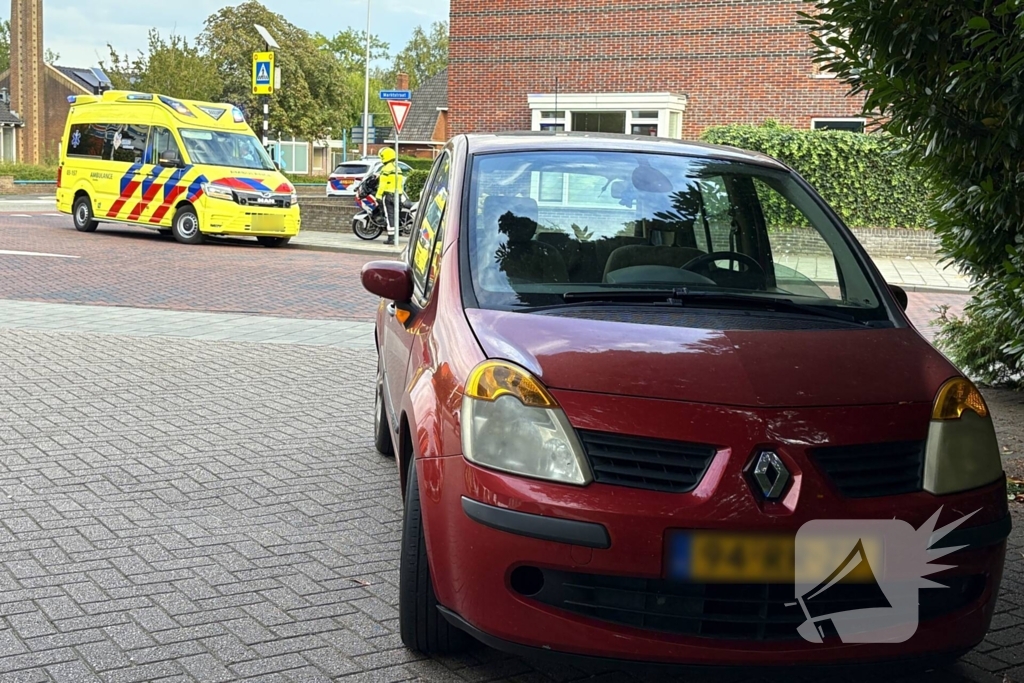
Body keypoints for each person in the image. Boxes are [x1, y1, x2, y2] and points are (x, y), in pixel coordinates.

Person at [374, 147, 404, 245]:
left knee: (389, 216)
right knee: (395, 216)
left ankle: (391, 238)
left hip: (388, 195)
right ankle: (396, 236)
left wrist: (378, 196)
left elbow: (383, 184)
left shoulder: (385, 169)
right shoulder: (397, 168)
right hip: (398, 195)